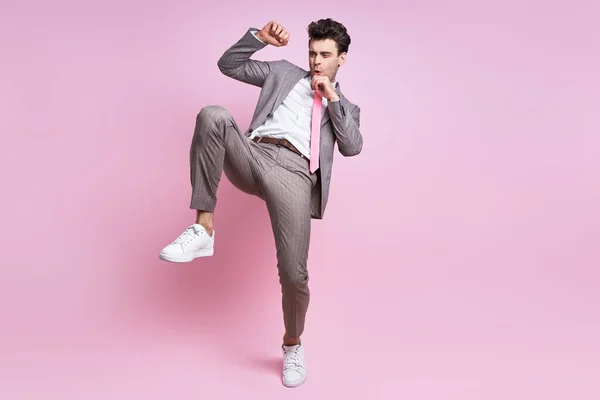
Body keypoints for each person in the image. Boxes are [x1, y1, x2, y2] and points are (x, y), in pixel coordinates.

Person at [159, 18, 362, 387]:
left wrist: (331, 97)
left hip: (296, 175)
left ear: (341, 59)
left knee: (294, 274)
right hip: (255, 152)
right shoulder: (284, 73)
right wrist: (258, 39)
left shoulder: (345, 106)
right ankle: (203, 227)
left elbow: (351, 145)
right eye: (313, 53)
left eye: (325, 55)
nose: (316, 61)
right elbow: (229, 65)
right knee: (214, 115)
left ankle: (292, 343)